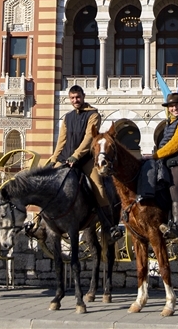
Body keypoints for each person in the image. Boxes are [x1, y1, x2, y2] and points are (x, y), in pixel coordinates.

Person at [48, 85, 123, 240]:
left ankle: (109, 225)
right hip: (66, 158)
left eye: (78, 97)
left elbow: (89, 137)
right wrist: (54, 158)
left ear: (83, 96)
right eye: (72, 98)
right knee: (47, 181)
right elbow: (61, 140)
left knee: (98, 186)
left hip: (85, 159)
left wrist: (76, 156)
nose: (76, 100)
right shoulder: (67, 117)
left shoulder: (93, 115)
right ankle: (42, 224)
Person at [152, 92, 178, 240]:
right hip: (168, 162)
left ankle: (177, 226)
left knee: (174, 187)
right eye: (171, 106)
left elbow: (175, 145)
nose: (174, 108)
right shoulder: (169, 123)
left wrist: (155, 155)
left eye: (176, 104)